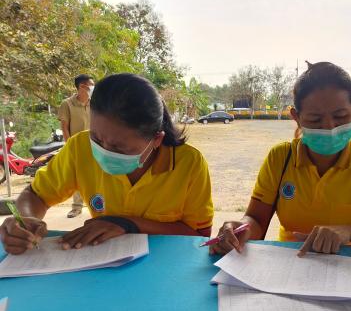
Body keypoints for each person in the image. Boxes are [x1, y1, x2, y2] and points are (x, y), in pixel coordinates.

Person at [212, 62, 351, 255]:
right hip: (288, 262)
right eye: (314, 119)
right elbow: (256, 220)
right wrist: (239, 229)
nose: (329, 127)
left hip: (349, 266)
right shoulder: (280, 158)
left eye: (340, 117)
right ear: (296, 117)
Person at [0, 73, 213, 255]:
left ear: (156, 139)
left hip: (166, 269)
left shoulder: (188, 163)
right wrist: (25, 220)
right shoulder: (79, 148)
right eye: (97, 138)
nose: (104, 152)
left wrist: (127, 224)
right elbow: (35, 195)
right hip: (106, 267)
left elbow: (200, 235)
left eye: (120, 148)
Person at [58, 74, 95, 218]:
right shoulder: (67, 104)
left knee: (97, 175)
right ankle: (77, 207)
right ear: (82, 87)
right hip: (76, 146)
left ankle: (98, 207)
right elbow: (64, 126)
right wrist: (69, 146)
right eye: (91, 85)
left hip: (95, 144)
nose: (93, 87)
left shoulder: (95, 103)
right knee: (78, 176)